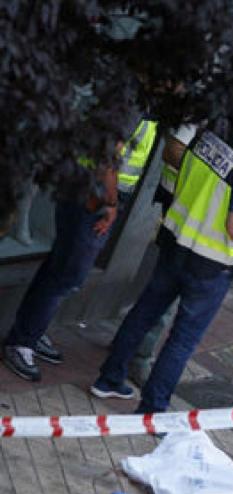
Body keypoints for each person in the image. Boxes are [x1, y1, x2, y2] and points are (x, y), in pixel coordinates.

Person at [91, 128, 233, 412]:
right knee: (182, 340)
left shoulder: (205, 139)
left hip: (176, 243)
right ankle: (152, 409)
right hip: (211, 265)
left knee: (143, 313)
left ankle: (108, 379)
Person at [2, 117, 158, 382]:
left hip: (85, 191)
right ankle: (22, 342)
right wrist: (110, 204)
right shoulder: (132, 108)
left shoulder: (135, 105)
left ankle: (30, 332)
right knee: (68, 275)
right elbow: (107, 159)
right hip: (94, 198)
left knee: (58, 268)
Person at [128, 123, 197, 386]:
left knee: (159, 291)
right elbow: (173, 150)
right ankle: (138, 356)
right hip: (180, 209)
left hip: (188, 211)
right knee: (164, 295)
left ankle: (129, 346)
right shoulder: (208, 112)